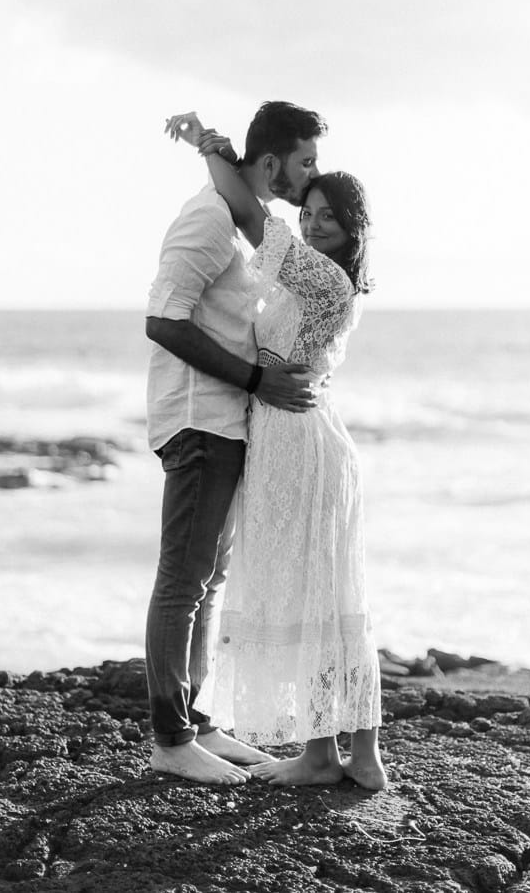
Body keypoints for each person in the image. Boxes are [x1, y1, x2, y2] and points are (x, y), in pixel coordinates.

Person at [167, 112, 386, 789]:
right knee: (322, 597)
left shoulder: (326, 282)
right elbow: (256, 209)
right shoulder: (318, 279)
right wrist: (236, 155)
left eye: (329, 217)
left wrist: (211, 146)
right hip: (293, 437)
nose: (315, 223)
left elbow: (246, 212)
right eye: (312, 213)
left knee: (321, 597)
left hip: (301, 444)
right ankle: (341, 756)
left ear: (355, 230)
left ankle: (340, 756)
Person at [144, 100, 326, 785]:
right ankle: (169, 736)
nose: (313, 175)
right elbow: (163, 322)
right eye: (305, 161)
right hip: (197, 420)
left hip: (228, 422)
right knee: (182, 582)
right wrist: (257, 380)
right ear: (273, 160)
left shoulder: (250, 223)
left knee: (210, 580)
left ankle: (197, 719)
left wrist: (205, 141)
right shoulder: (208, 216)